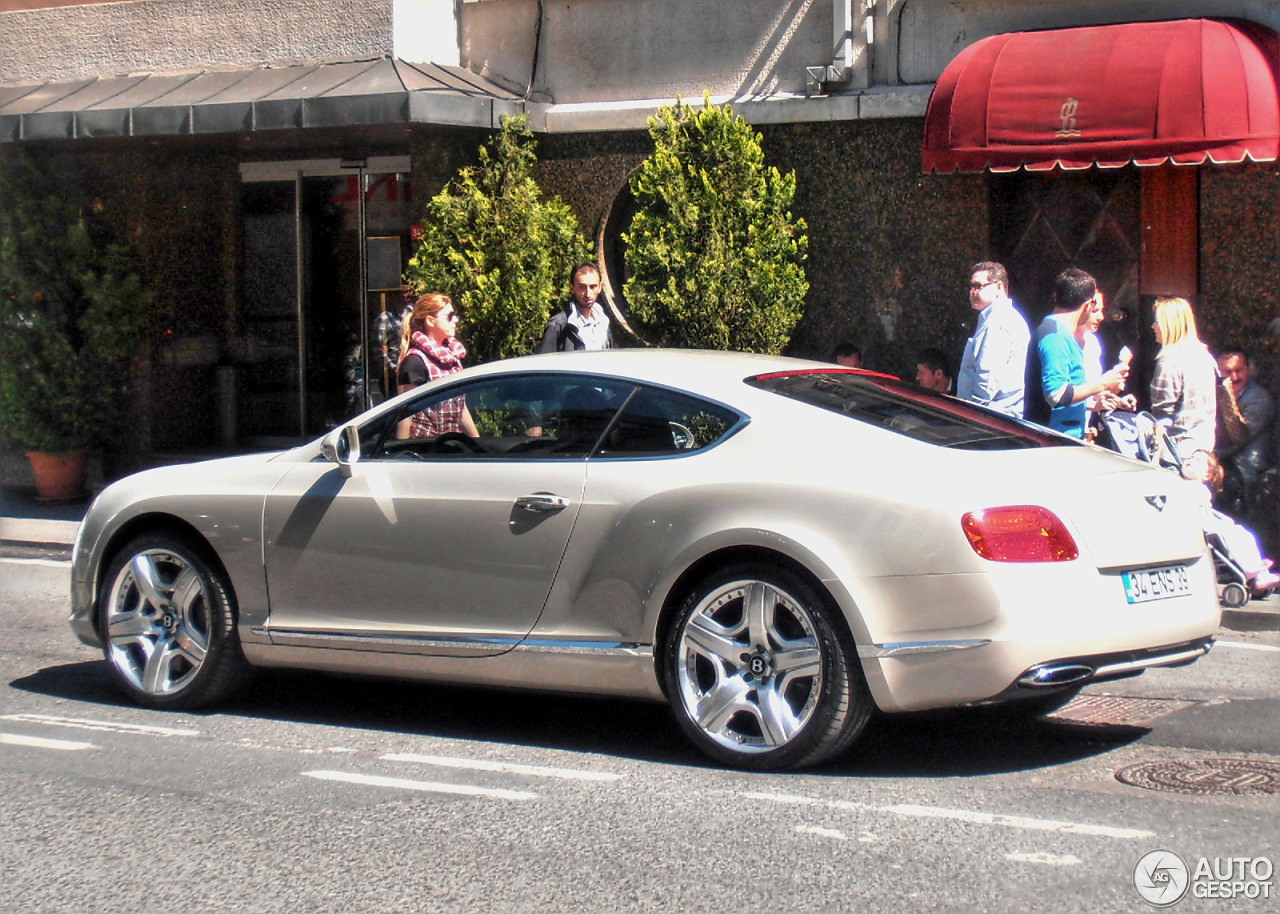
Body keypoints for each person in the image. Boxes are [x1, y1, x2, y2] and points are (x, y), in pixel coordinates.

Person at [1032, 268, 1128, 438]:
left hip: (1066, 436)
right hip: (1053, 439)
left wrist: (1097, 398)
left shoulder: (1061, 333)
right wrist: (1102, 383)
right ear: (1088, 306)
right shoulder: (1055, 337)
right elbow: (1057, 395)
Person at [395, 293, 478, 439]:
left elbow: (460, 407)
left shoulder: (453, 357)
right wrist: (399, 454)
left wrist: (478, 444)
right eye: (449, 316)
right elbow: (404, 415)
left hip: (452, 444)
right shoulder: (415, 361)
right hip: (425, 448)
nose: (456, 320)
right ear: (430, 321)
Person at [955, 261, 1030, 417]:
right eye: (971, 287)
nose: (972, 292)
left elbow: (987, 378)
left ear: (999, 287)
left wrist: (970, 411)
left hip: (988, 415)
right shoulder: (999, 318)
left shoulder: (998, 321)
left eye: (978, 286)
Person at [1149, 296, 1218, 456]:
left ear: (1170, 326)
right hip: (1204, 448)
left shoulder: (1169, 363)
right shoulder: (1205, 357)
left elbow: (1162, 415)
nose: (1153, 326)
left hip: (1177, 450)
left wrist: (1155, 454)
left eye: (1157, 322)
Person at [1215, 348, 1274, 508]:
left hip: (1246, 470)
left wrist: (1211, 455)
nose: (1234, 377)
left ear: (1248, 370)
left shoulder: (1258, 398)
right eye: (1227, 372)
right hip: (1222, 464)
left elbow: (1239, 438)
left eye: (1238, 370)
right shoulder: (1212, 392)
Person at [538, 262, 614, 353]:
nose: (588, 293)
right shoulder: (559, 325)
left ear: (600, 287)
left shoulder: (603, 322)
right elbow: (543, 363)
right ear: (572, 288)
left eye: (593, 287)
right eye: (582, 287)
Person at [373, 284, 415, 400]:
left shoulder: (413, 315)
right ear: (395, 295)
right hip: (393, 376)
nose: (409, 295)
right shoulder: (384, 319)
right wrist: (392, 368)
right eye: (404, 292)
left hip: (412, 370)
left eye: (410, 291)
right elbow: (379, 349)